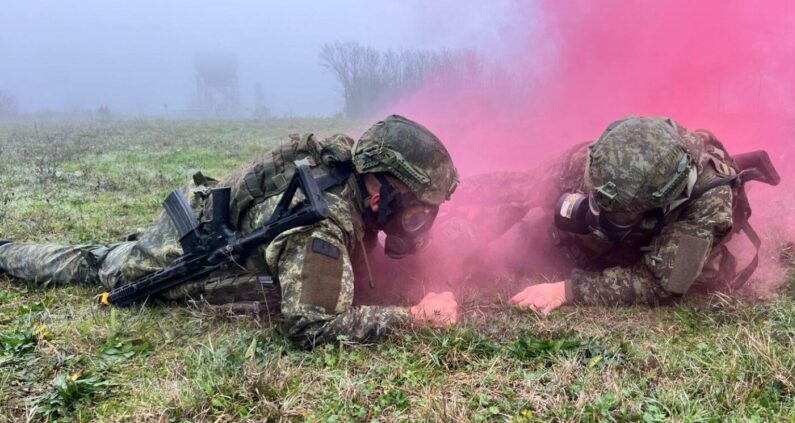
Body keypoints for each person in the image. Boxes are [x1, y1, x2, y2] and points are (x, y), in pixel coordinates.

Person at [0, 115, 460, 347]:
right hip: (181, 255)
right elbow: (311, 326)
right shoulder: (322, 225)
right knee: (98, 263)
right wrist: (413, 320)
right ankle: (5, 252)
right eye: (416, 211)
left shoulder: (350, 171)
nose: (418, 223)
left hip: (219, 225)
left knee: (108, 250)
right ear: (380, 193)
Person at [511, 116, 776, 315]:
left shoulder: (708, 206)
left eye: (619, 215)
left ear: (661, 203)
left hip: (678, 226)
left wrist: (568, 290)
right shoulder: (606, 158)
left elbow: (660, 284)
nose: (600, 217)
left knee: (701, 275)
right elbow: (525, 182)